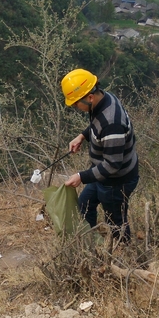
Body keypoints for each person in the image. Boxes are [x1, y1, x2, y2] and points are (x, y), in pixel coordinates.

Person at [61, 69, 139, 244]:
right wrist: (82, 136)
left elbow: (113, 164)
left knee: (115, 221)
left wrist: (81, 176)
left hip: (116, 181)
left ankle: (122, 250)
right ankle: (88, 242)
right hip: (101, 174)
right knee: (84, 204)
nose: (76, 108)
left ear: (89, 97)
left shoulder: (112, 122)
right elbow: (98, 124)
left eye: (76, 104)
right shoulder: (104, 98)